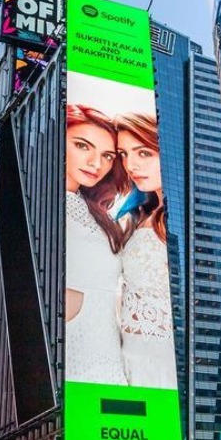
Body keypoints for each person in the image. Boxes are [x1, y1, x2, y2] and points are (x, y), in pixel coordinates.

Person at [63, 104, 130, 385]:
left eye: (107, 156)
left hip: (108, 345)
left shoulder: (97, 214)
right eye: (82, 145)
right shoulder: (37, 196)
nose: (95, 163)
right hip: (70, 341)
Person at [115, 112, 177, 390]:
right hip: (127, 360)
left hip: (165, 364)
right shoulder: (136, 213)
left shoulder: (182, 214)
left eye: (143, 152)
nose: (131, 165)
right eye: (124, 154)